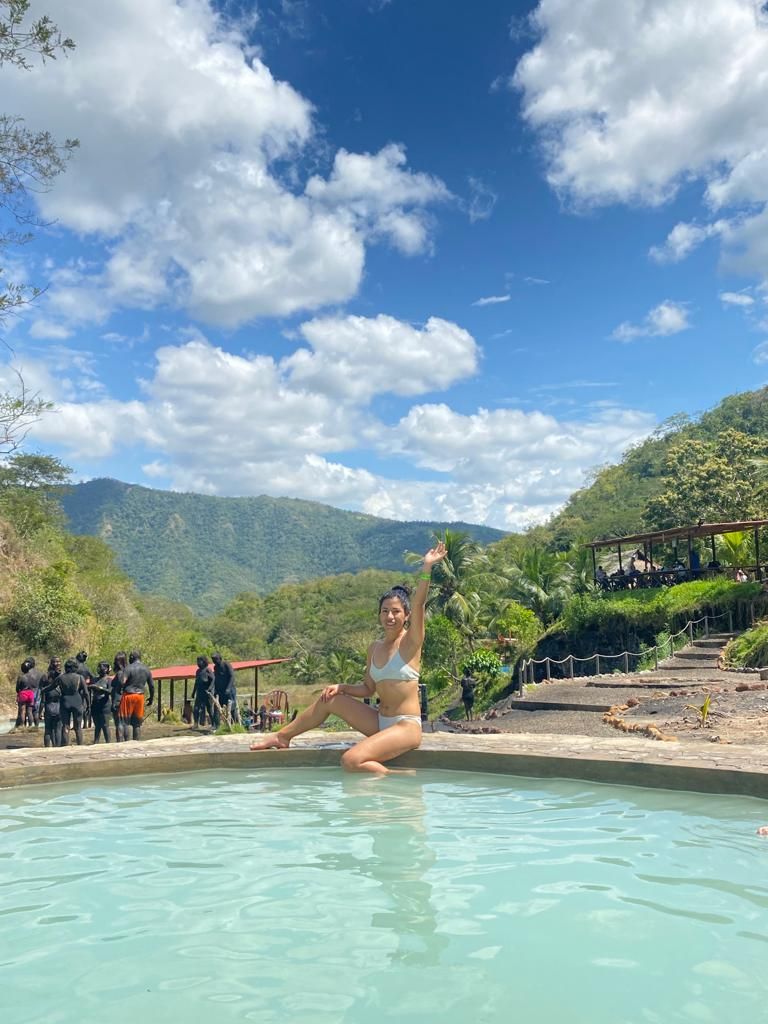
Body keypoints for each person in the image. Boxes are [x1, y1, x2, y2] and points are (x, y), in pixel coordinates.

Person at [250, 541, 448, 774]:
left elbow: (419, 602)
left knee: (351, 760)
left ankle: (398, 776)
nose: (390, 616)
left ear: (406, 615)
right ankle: (282, 737)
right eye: (385, 611)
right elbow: (368, 689)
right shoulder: (374, 648)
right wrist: (341, 687)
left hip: (406, 726)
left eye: (396, 611)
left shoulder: (411, 642)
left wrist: (427, 567)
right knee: (330, 699)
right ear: (379, 615)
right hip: (380, 722)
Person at [118, 650, 154, 741]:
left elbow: (122, 682)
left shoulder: (128, 668)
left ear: (131, 657)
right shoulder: (146, 669)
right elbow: (152, 686)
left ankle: (126, 742)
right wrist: (151, 698)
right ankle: (136, 742)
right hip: (140, 697)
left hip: (129, 695)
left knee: (124, 722)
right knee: (137, 724)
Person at [59, 658, 90, 746]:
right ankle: (80, 745)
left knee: (65, 726)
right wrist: (88, 705)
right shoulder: (80, 677)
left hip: (65, 702)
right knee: (78, 727)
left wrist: (43, 691)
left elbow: (51, 687)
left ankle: (65, 746)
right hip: (77, 702)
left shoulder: (61, 677)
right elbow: (86, 693)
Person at [41, 657, 63, 748]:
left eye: (58, 661)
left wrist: (40, 710)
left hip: (49, 705)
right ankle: (57, 748)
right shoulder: (62, 676)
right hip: (59, 704)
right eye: (56, 662)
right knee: (57, 729)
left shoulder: (45, 676)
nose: (57, 663)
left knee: (48, 729)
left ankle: (47, 748)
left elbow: (42, 693)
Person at [89, 661, 113, 743]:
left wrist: (100, 688)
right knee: (97, 726)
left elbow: (110, 691)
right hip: (95, 704)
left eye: (101, 667)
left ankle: (108, 743)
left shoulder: (109, 679)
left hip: (105, 704)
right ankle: (96, 742)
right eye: (99, 667)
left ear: (106, 669)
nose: (99, 669)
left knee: (105, 725)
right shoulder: (94, 679)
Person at [212, 652, 238, 725]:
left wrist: (228, 688)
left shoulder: (226, 664)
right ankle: (216, 725)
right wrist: (215, 690)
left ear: (220, 658)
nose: (214, 661)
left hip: (229, 690)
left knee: (231, 708)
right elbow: (216, 679)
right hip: (220, 691)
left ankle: (235, 724)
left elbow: (232, 676)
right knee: (217, 707)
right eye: (213, 659)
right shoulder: (215, 667)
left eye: (216, 659)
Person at [14, 658, 40, 728]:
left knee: (22, 711)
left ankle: (22, 725)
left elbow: (17, 688)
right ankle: (31, 726)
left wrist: (19, 692)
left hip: (23, 694)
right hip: (31, 694)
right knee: (30, 711)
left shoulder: (21, 677)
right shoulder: (33, 676)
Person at [191, 655, 215, 727]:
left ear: (204, 662)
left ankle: (213, 724)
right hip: (199, 693)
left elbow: (213, 679)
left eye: (199, 661)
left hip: (207, 693)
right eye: (197, 661)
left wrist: (210, 688)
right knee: (196, 709)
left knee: (209, 709)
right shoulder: (198, 671)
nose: (198, 663)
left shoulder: (208, 670)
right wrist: (193, 692)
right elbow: (196, 682)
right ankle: (196, 724)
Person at [74, 650, 95, 728]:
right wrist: (90, 684)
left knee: (77, 706)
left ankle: (77, 724)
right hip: (86, 688)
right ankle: (86, 724)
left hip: (77, 689)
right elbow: (93, 677)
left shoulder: (75, 668)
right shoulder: (86, 668)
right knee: (85, 706)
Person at [111, 651, 127, 742]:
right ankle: (126, 741)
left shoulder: (120, 673)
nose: (114, 663)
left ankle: (120, 742)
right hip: (124, 699)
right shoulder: (127, 672)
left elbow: (118, 689)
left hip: (118, 700)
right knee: (125, 723)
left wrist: (114, 702)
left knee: (119, 723)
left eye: (116, 661)